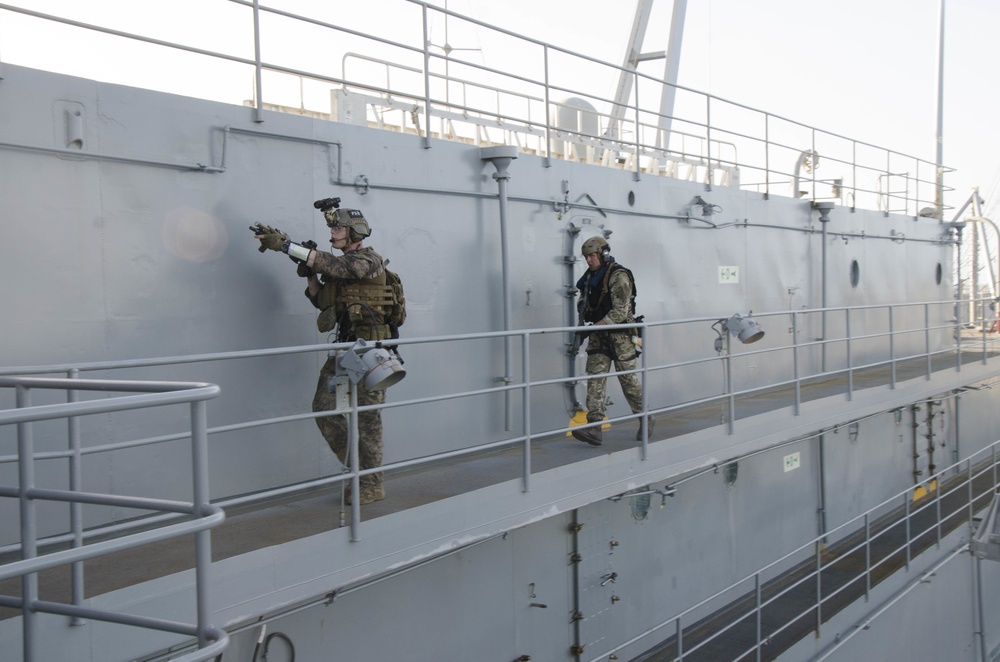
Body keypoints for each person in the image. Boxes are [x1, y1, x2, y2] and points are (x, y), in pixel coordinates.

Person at [255, 204, 394, 504]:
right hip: (345, 352)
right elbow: (323, 303)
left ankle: (372, 484)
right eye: (333, 228)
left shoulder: (368, 261)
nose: (333, 233)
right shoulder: (338, 267)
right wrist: (308, 276)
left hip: (371, 352)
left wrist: (288, 248)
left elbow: (336, 266)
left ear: (354, 232)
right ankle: (358, 469)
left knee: (368, 420)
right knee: (324, 408)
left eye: (338, 228)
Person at [571, 236, 652, 446]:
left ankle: (645, 417)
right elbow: (584, 299)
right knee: (595, 379)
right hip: (599, 335)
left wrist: (593, 328)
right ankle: (595, 427)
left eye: (592, 256)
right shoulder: (590, 277)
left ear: (603, 254)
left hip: (621, 335)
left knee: (628, 381)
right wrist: (583, 309)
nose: (588, 261)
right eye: (586, 257)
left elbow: (620, 312)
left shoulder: (619, 276)